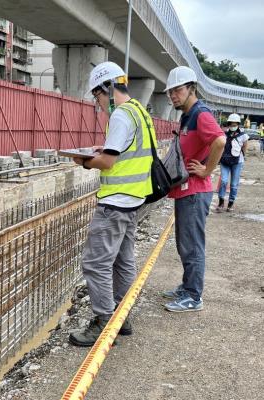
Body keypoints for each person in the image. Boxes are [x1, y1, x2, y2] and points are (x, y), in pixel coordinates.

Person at [68, 61, 154, 347]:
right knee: (123, 261)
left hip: (115, 204)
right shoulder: (140, 111)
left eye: (97, 96)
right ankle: (122, 315)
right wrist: (101, 151)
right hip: (134, 200)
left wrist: (84, 161)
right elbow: (128, 152)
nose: (99, 103)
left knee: (96, 263)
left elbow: (108, 161)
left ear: (107, 88)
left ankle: (105, 320)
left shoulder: (120, 116)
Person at [162, 66, 226, 312]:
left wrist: (208, 170)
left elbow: (220, 140)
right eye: (170, 93)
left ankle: (193, 296)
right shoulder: (187, 116)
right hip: (185, 190)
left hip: (195, 191)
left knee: (192, 245)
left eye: (177, 90)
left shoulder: (200, 114)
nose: (173, 96)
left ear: (191, 89)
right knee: (184, 243)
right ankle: (187, 286)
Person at [216, 113, 248, 212]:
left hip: (237, 162)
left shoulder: (243, 135)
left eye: (235, 125)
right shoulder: (223, 134)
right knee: (224, 181)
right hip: (225, 161)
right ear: (228, 124)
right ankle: (221, 202)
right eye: (231, 125)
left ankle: (231, 203)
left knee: (234, 184)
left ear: (238, 124)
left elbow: (245, 146)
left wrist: (244, 155)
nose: (233, 127)